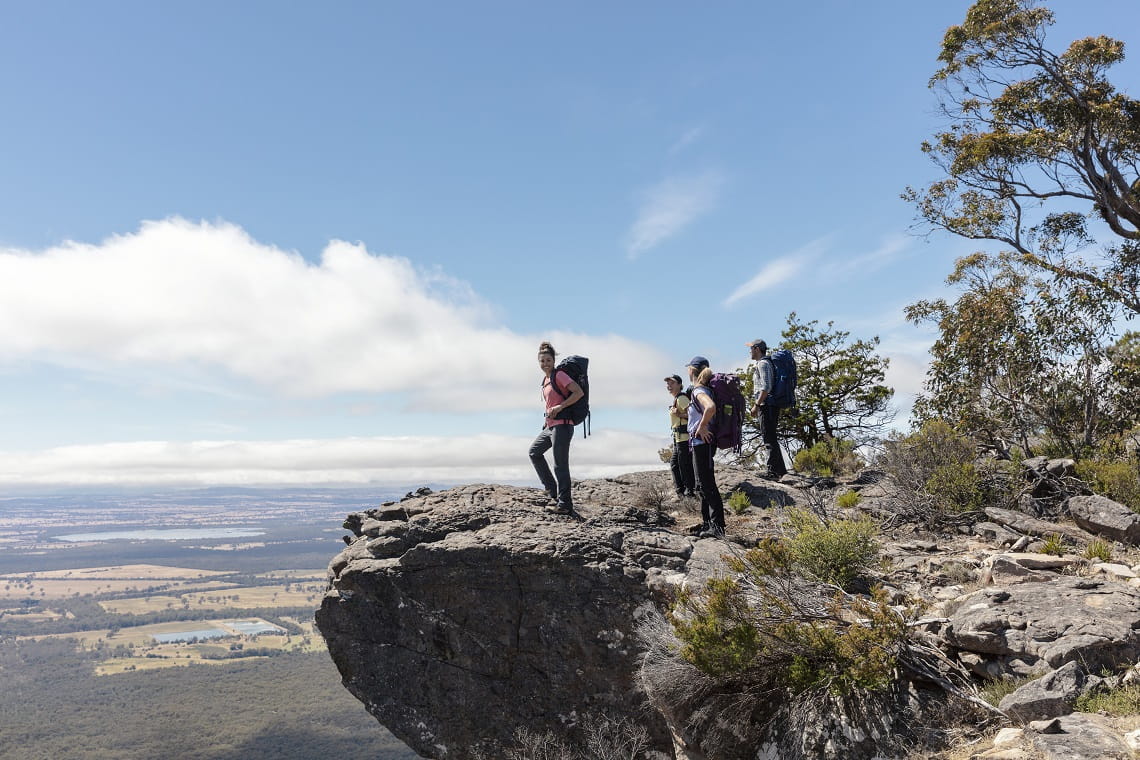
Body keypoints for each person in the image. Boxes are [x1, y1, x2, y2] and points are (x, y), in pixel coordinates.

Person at [529, 341, 584, 514]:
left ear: (553, 361)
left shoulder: (559, 375)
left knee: (560, 465)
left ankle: (565, 504)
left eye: (548, 360)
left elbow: (578, 392)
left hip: (563, 426)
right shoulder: (545, 380)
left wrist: (560, 408)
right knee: (534, 452)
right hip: (551, 426)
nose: (545, 363)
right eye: (542, 361)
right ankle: (552, 491)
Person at [686, 356, 725, 538]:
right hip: (700, 443)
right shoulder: (703, 389)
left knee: (707, 484)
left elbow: (710, 408)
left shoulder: (698, 390)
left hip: (703, 443)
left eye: (688, 368)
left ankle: (717, 527)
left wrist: (701, 427)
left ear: (693, 370)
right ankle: (707, 523)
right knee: (702, 484)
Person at [747, 339, 788, 479]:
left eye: (751, 348)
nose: (750, 351)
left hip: (767, 405)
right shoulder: (765, 363)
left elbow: (766, 387)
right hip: (770, 404)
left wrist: (756, 405)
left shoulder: (763, 364)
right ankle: (781, 470)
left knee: (768, 438)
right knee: (771, 437)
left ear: (757, 349)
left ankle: (773, 472)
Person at [664, 374, 696, 499]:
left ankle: (689, 492)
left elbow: (694, 414)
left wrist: (680, 414)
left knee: (684, 465)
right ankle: (681, 492)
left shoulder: (681, 398)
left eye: (672, 383)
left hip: (684, 438)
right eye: (668, 384)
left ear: (679, 384)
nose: (669, 386)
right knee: (675, 464)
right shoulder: (677, 398)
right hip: (678, 438)